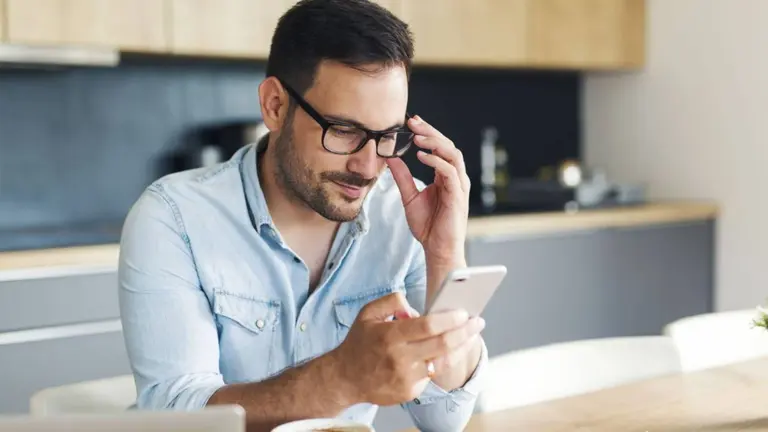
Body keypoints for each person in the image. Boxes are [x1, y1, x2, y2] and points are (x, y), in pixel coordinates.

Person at [118, 0, 487, 430]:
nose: (368, 167)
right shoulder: (174, 219)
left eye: (387, 137)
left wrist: (445, 255)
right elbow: (175, 419)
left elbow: (444, 419)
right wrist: (341, 378)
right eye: (345, 131)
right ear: (274, 105)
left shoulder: (405, 216)